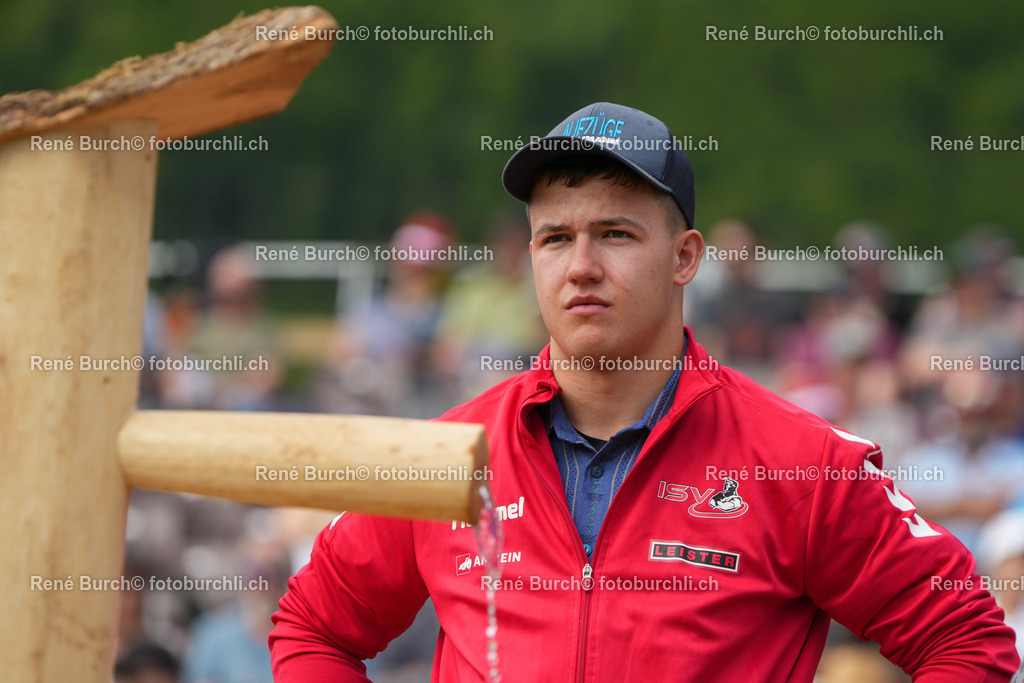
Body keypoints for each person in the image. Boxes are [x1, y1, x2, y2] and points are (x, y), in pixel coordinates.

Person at [270, 103, 1020, 680]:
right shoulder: (448, 455)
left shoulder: (802, 463)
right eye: (555, 238)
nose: (581, 265)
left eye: (616, 234)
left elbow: (968, 638)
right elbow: (312, 625)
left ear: (685, 257)